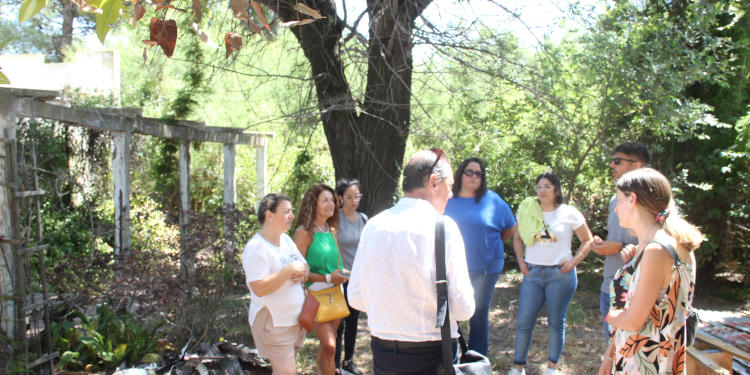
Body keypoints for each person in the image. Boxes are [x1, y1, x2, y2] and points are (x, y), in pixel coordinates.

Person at [348, 149, 475, 375]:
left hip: (383, 350)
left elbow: (356, 297)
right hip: (433, 353)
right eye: (450, 186)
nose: (452, 194)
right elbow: (464, 308)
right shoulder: (444, 228)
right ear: (434, 183)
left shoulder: (373, 226)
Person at [598, 168, 702, 375]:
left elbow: (633, 319)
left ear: (632, 199)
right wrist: (609, 357)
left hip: (645, 363)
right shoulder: (663, 244)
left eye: (619, 200)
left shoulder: (657, 249)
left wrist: (610, 315)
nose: (616, 208)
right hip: (645, 359)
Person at [509, 172, 594, 375]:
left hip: (560, 275)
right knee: (523, 322)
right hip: (533, 274)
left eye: (547, 186)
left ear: (556, 189)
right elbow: (517, 238)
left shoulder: (569, 213)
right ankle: (518, 367)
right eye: (539, 186)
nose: (542, 190)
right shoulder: (529, 209)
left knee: (556, 323)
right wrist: (521, 262)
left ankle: (551, 368)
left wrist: (574, 262)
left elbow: (588, 240)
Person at [445, 157, 516, 356]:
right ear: (461, 174)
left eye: (478, 173)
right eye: (469, 171)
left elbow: (509, 228)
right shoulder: (447, 199)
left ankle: (477, 360)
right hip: (452, 267)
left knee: (479, 313)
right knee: (450, 314)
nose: (474, 176)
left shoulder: (493, 200)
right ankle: (451, 356)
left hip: (485, 267)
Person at [242, 193, 309, 375]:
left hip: (295, 320)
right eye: (286, 212)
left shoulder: (286, 240)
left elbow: (305, 266)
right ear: (269, 215)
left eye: (292, 211)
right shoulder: (257, 247)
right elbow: (259, 288)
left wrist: (303, 270)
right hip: (274, 323)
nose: (292, 216)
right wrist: (288, 271)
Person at [592, 142, 651, 342]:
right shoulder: (614, 201)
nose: (611, 165)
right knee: (612, 353)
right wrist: (602, 244)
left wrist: (620, 248)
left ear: (636, 165)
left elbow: (658, 248)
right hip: (608, 287)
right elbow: (617, 239)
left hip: (635, 294)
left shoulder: (654, 205)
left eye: (617, 161)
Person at [294, 184, 349, 375]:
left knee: (329, 348)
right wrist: (327, 277)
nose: (331, 204)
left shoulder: (331, 229)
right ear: (313, 204)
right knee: (329, 344)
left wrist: (342, 274)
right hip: (314, 296)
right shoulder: (304, 232)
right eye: (325, 200)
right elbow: (298, 272)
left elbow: (337, 262)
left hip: (335, 294)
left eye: (332, 200)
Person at [334, 179, 367, 375]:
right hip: (341, 278)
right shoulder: (335, 219)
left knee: (354, 320)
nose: (354, 200)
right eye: (349, 197)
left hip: (357, 278)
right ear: (340, 198)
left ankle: (349, 361)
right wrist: (341, 271)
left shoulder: (363, 218)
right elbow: (333, 248)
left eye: (357, 196)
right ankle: (336, 365)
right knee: (340, 322)